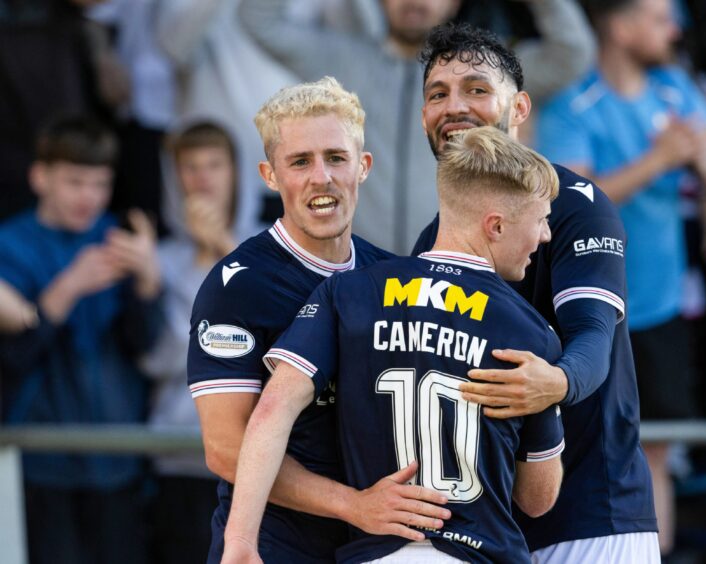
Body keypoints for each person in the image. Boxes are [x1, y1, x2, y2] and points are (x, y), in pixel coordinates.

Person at [224, 126, 564, 564]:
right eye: (541, 220)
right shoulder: (531, 332)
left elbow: (272, 411)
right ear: (495, 226)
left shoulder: (347, 293)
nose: (546, 236)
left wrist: (241, 540)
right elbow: (538, 497)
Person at [412, 23, 659, 562]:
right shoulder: (431, 239)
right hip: (481, 532)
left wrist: (557, 381)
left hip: (594, 520)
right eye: (438, 94)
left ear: (519, 108)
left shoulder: (576, 203)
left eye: (476, 89)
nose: (454, 106)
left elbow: (594, 333)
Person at [188, 77, 451, 564]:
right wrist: (353, 505)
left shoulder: (395, 276)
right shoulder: (237, 285)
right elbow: (225, 448)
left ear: (363, 166)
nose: (321, 177)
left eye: (336, 158)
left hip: (376, 545)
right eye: (300, 162)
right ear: (270, 175)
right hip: (271, 545)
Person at [534, 0, 706, 555]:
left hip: (661, 305)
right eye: (658, 17)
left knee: (655, 452)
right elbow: (565, 205)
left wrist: (702, 154)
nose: (674, 28)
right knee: (585, 445)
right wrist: (661, 159)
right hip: (584, 309)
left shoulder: (675, 91)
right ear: (620, 26)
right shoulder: (573, 103)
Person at [238, 0, 596, 253]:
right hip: (358, 271)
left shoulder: (487, 70)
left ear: (455, 3)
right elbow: (258, 19)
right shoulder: (343, 60)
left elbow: (572, 52)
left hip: (458, 267)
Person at [0, 116, 162, 564]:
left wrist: (149, 283)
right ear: (40, 177)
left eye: (100, 183)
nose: (88, 197)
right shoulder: (9, 246)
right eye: (74, 181)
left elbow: (146, 348)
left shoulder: (121, 240)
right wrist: (66, 289)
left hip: (120, 462)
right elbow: (11, 362)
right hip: (42, 464)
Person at [139, 122, 240, 563]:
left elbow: (273, 347)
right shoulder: (157, 258)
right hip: (175, 456)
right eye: (190, 166)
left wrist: (223, 250)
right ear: (173, 176)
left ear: (237, 173)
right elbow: (154, 359)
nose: (202, 178)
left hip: (250, 464)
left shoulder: (267, 247)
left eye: (214, 165)